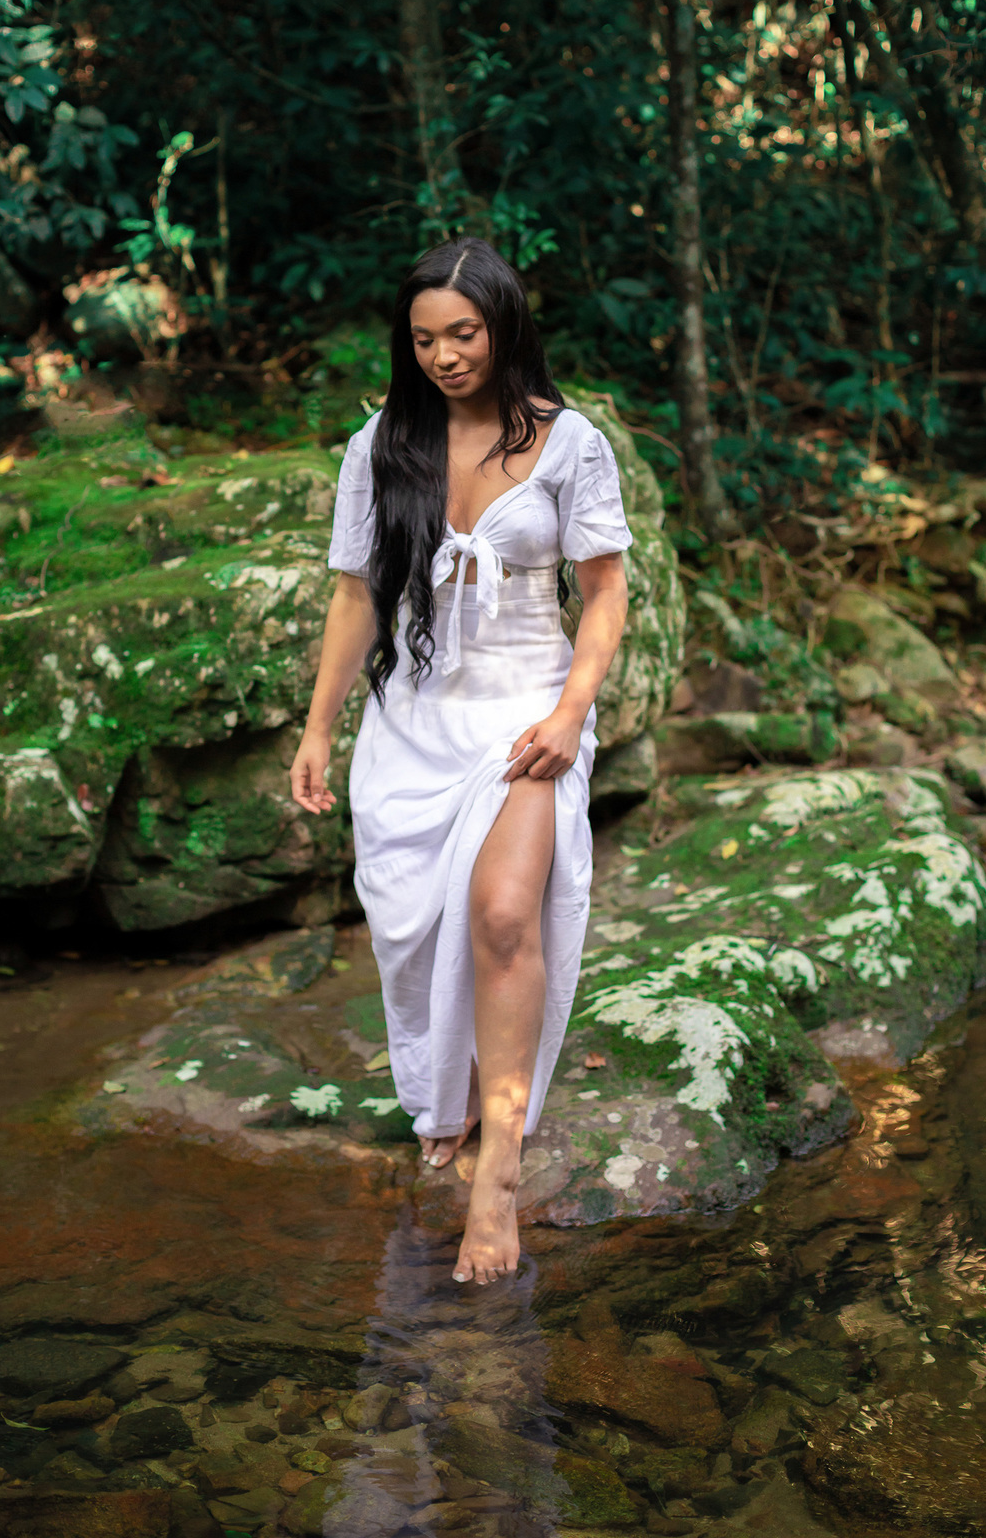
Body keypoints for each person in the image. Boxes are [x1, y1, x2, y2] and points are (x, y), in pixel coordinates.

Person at [289, 237, 631, 1285]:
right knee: (416, 921)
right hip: (412, 723)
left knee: (498, 913)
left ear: (504, 326)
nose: (444, 356)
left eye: (464, 334)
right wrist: (317, 727)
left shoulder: (569, 444)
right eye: (425, 338)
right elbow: (356, 598)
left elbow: (606, 595)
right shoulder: (380, 447)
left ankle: (499, 1177)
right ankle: (446, 1100)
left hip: (525, 711)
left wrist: (573, 714)